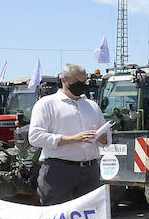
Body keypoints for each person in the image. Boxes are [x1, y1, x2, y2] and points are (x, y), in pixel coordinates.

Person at [28, 63, 110, 205]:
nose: (81, 85)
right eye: (76, 82)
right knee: (55, 217)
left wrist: (103, 138)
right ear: (64, 80)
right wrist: (72, 139)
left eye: (84, 82)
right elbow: (35, 137)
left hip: (90, 171)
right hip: (58, 171)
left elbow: (107, 135)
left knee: (90, 216)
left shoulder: (92, 106)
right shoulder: (46, 104)